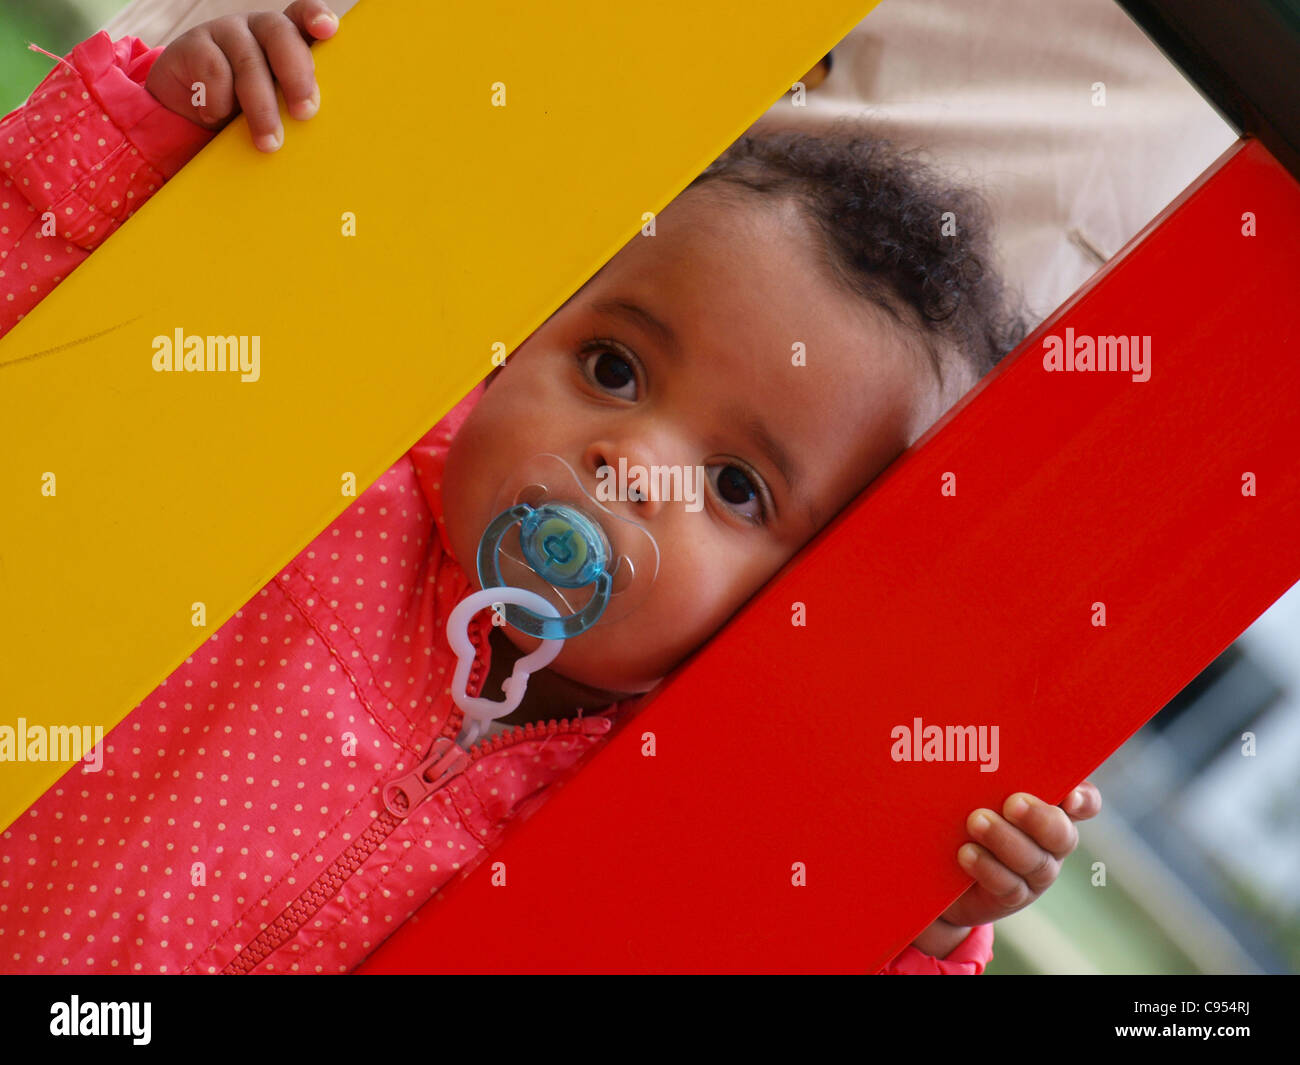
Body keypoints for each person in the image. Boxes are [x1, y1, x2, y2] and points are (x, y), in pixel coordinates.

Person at [0, 2, 1101, 974]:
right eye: (611, 368)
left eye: (736, 486)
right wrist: (158, 159)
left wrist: (921, 916)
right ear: (521, 334)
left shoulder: (689, 815)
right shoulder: (316, 471)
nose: (628, 462)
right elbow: (50, 359)